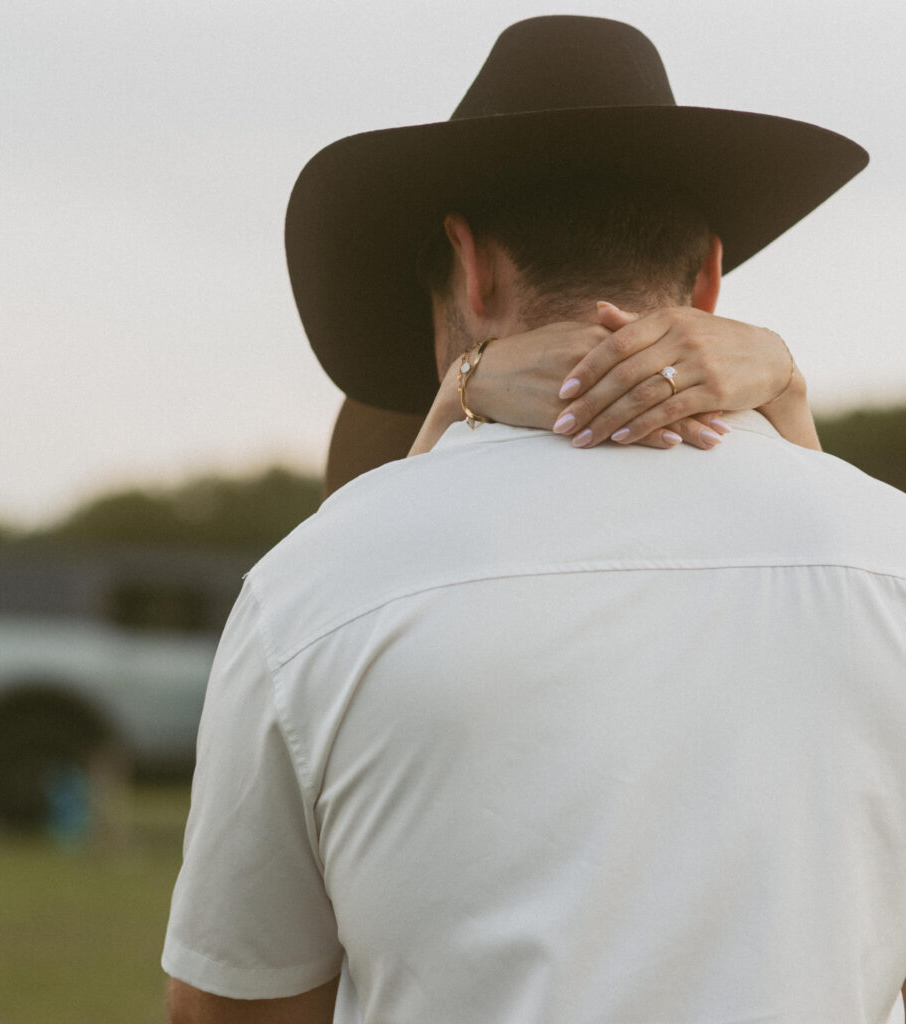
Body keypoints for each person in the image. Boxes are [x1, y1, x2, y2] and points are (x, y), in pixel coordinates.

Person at [163, 16, 906, 1024]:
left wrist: (454, 395)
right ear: (706, 277)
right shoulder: (884, 558)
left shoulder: (309, 588)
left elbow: (232, 1009)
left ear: (470, 269)